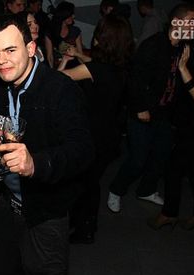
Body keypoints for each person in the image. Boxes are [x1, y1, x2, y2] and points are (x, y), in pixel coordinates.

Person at [0, 14, 96, 275]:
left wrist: (36, 164)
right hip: (10, 197)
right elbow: (12, 131)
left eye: (10, 50)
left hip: (47, 205)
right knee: (2, 257)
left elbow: (82, 151)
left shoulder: (60, 90)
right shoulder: (4, 86)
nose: (1, 61)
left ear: (31, 48)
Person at [107, 3, 194, 213]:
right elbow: (134, 79)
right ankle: (116, 189)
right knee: (138, 159)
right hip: (142, 113)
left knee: (161, 155)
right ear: (176, 22)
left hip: (164, 114)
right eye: (192, 21)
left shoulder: (184, 48)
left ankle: (146, 190)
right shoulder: (154, 44)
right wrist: (140, 108)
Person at [58, 14, 134, 243]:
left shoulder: (96, 70)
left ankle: (84, 229)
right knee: (90, 182)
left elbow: (58, 79)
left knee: (84, 184)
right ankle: (84, 224)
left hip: (92, 135)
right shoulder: (120, 67)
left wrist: (64, 60)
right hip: (109, 134)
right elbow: (96, 67)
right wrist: (79, 54)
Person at [148, 19, 194, 230]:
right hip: (188, 119)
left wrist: (183, 69)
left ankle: (169, 213)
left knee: (174, 167)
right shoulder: (190, 43)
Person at [49, 1, 85, 68]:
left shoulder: (75, 31)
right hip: (58, 67)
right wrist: (51, 72)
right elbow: (50, 57)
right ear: (64, 15)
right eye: (71, 14)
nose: (74, 16)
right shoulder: (50, 31)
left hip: (74, 67)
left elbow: (80, 55)